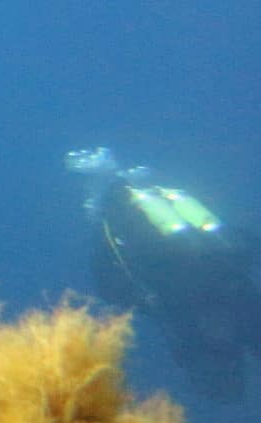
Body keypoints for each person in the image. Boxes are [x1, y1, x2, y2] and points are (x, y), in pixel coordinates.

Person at [68, 147, 261, 404]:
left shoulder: (112, 227)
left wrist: (144, 302)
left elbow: (112, 287)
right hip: (224, 277)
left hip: (193, 293)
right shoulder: (164, 200)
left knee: (223, 385)